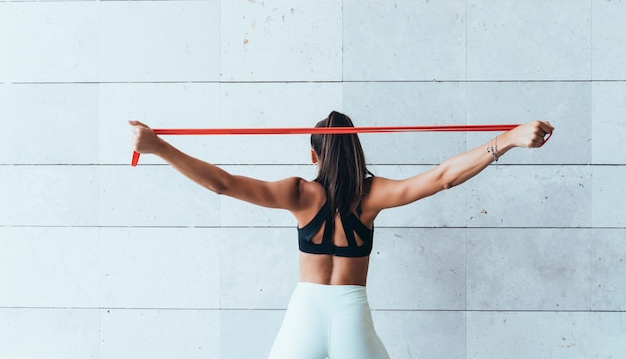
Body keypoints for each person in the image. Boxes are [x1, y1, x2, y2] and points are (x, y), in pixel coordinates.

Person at [129, 112, 554, 359]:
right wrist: (510, 139)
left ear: (313, 154)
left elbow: (221, 183)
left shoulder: (297, 193)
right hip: (352, 314)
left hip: (305, 315)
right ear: (356, 151)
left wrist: (158, 147)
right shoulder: (372, 196)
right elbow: (444, 177)